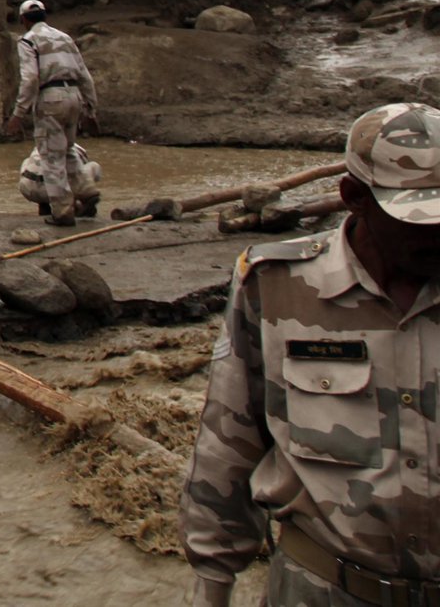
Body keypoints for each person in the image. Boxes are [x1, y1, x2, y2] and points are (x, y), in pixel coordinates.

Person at [181, 102, 440, 607]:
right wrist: (212, 583)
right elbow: (228, 441)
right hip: (321, 590)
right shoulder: (277, 286)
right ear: (354, 198)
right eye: (417, 219)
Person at [5, 0, 98, 226]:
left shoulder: (28, 40)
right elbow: (85, 75)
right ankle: (86, 190)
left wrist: (18, 113)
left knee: (51, 157)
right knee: (68, 149)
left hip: (50, 98)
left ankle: (62, 212)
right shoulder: (65, 38)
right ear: (45, 16)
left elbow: (31, 78)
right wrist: (91, 109)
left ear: (23, 20)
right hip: (73, 95)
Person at [18, 143, 102, 218]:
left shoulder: (39, 146)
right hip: (53, 190)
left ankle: (44, 206)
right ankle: (84, 200)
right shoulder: (75, 149)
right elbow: (77, 177)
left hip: (28, 189)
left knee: (37, 168)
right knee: (92, 167)